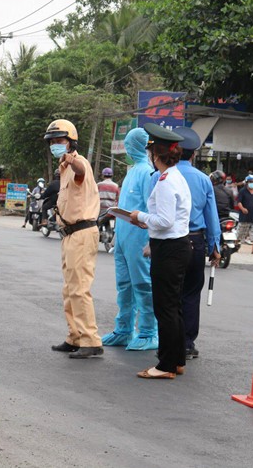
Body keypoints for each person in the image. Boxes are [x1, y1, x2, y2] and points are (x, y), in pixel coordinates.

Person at [128, 123, 191, 379]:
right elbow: (168, 219)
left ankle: (165, 365)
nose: (150, 158)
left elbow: (164, 221)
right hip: (175, 246)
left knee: (164, 308)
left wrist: (139, 215)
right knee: (172, 307)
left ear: (157, 155)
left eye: (151, 153)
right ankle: (176, 360)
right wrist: (146, 220)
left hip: (168, 249)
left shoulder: (165, 181)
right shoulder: (175, 177)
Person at [44, 119, 103, 359]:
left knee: (80, 289)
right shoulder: (63, 168)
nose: (56, 145)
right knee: (69, 290)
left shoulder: (79, 163)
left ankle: (90, 340)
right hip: (69, 234)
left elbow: (80, 168)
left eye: (60, 140)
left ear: (71, 142)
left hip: (82, 232)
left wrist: (70, 158)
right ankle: (75, 337)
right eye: (53, 141)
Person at [101, 128, 158, 351]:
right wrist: (116, 235)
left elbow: (150, 208)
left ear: (140, 146)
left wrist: (150, 240)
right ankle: (123, 329)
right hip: (124, 237)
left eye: (129, 145)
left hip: (138, 237)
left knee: (143, 285)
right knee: (124, 285)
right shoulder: (132, 171)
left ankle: (148, 331)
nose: (127, 149)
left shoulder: (147, 172)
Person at [172, 127, 221, 361]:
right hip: (196, 240)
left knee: (170, 292)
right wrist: (215, 247)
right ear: (193, 155)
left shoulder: (163, 176)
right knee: (191, 292)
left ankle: (170, 341)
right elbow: (211, 217)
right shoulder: (203, 180)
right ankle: (188, 342)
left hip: (170, 241)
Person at [236, 174, 253, 255]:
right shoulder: (242, 191)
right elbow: (239, 202)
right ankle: (235, 246)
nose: (252, 183)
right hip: (244, 217)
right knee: (240, 234)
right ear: (247, 183)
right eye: (250, 182)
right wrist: (243, 209)